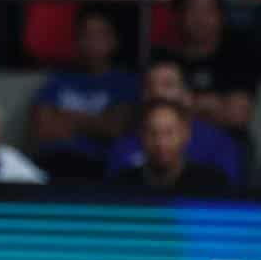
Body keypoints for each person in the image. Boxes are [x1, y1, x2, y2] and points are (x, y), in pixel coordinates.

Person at [28, 8, 138, 182]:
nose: (93, 41)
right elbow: (41, 131)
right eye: (86, 34)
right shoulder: (58, 80)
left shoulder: (125, 83)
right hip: (52, 163)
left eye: (101, 34)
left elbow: (116, 130)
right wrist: (94, 122)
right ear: (77, 40)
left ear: (114, 40)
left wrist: (68, 119)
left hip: (99, 167)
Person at [103, 57, 243, 182]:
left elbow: (226, 199)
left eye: (167, 85)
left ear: (188, 96)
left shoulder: (219, 144)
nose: (157, 92)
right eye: (149, 86)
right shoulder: (124, 144)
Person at [169, 0, 259, 140]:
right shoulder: (166, 60)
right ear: (178, 15)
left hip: (226, 145)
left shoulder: (238, 57)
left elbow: (238, 116)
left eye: (208, 10)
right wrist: (213, 105)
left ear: (221, 16)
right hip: (171, 144)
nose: (200, 18)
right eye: (193, 9)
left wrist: (184, 104)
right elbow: (155, 113)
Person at [109, 97, 232, 193]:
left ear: (186, 134)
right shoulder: (121, 186)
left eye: (169, 133)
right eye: (152, 133)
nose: (160, 142)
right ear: (140, 135)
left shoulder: (213, 184)